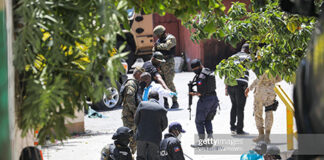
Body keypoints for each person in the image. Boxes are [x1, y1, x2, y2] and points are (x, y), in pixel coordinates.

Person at [189, 59, 219, 148]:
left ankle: (201, 142)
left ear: (200, 66)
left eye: (195, 69)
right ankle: (210, 140)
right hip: (214, 99)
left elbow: (200, 93)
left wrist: (192, 94)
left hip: (205, 101)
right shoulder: (209, 72)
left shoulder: (201, 77)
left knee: (199, 121)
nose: (194, 71)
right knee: (207, 120)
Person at [245, 73, 281, 143]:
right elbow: (279, 78)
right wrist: (271, 81)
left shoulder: (263, 63)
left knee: (258, 113)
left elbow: (259, 78)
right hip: (271, 90)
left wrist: (250, 88)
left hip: (260, 91)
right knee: (269, 112)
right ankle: (267, 137)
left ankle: (261, 135)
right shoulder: (276, 64)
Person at [134, 91, 168, 160]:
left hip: (141, 136)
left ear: (148, 97)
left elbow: (136, 120)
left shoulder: (142, 104)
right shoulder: (162, 109)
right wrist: (157, 130)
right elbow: (164, 125)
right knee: (153, 158)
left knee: (140, 157)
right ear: (158, 98)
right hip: (155, 138)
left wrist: (141, 128)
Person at [226, 43, 251, 135]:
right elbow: (255, 66)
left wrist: (226, 87)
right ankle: (239, 129)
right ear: (248, 50)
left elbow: (226, 71)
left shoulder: (232, 57)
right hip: (240, 85)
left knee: (234, 106)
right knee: (240, 108)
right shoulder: (248, 57)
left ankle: (232, 127)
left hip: (230, 85)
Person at [153, 25, 179, 109]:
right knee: (161, 83)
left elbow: (167, 47)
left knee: (169, 82)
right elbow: (154, 49)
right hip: (160, 63)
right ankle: (165, 102)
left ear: (161, 33)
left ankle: (175, 101)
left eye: (158, 35)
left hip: (168, 63)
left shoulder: (171, 38)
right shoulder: (158, 41)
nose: (157, 37)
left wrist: (158, 46)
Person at [121, 67, 144, 154]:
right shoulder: (131, 83)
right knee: (130, 137)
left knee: (134, 137)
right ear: (137, 74)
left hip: (132, 115)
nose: (142, 78)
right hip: (130, 116)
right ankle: (130, 154)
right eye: (141, 75)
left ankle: (132, 153)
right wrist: (135, 112)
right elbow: (130, 99)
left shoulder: (135, 83)